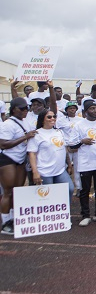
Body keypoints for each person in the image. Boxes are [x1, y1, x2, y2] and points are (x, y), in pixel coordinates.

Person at [0, 97, 36, 235]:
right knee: (8, 191)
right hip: (7, 158)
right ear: (14, 109)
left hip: (20, 159)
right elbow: (3, 144)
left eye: (27, 108)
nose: (25, 111)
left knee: (17, 190)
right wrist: (25, 137)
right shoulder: (7, 124)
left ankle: (14, 219)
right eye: (22, 109)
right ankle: (5, 222)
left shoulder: (24, 121)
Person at [27, 108, 74, 200]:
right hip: (45, 172)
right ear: (42, 119)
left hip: (60, 170)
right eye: (49, 117)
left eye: (54, 116)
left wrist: (69, 164)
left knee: (70, 189)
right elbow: (32, 154)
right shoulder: (37, 134)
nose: (52, 118)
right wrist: (35, 172)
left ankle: (64, 212)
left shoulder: (59, 132)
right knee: (48, 197)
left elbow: (64, 148)